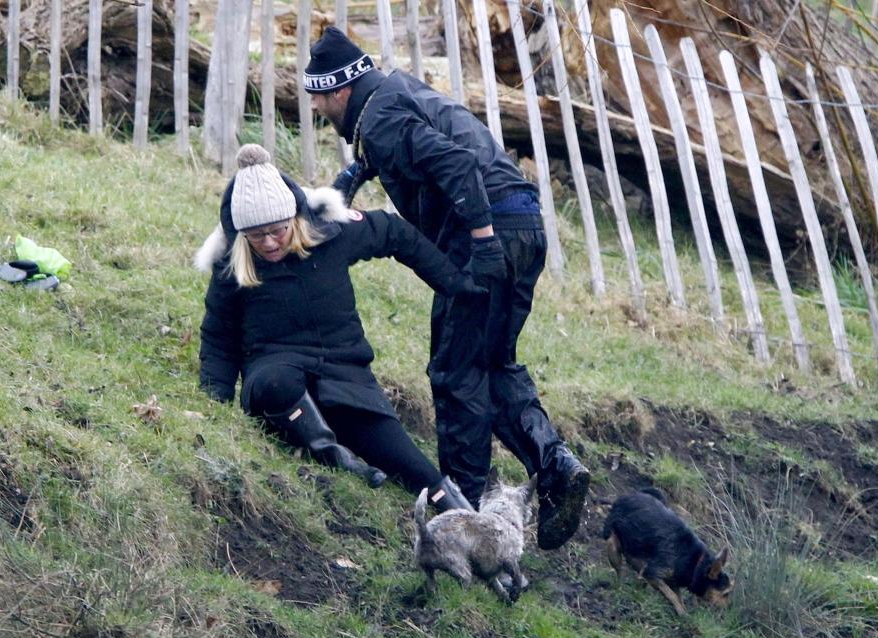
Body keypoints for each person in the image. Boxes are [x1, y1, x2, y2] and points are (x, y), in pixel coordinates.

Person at [303, 27, 591, 551]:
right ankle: (556, 466)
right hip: (525, 225)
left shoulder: (382, 118)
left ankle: (462, 510)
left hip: (487, 233)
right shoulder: (394, 94)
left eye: (320, 97)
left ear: (341, 90)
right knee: (491, 362)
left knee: (456, 372)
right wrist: (352, 175)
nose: (320, 108)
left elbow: (456, 165)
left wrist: (481, 241)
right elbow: (422, 145)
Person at [196, 143, 474, 512]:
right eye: (256, 236)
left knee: (416, 468)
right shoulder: (232, 267)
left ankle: (474, 529)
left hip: (345, 378)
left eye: (277, 230)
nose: (268, 242)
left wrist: (457, 285)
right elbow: (218, 339)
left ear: (293, 218)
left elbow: (396, 233)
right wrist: (213, 406)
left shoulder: (332, 234)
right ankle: (334, 456)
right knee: (274, 383)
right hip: (278, 379)